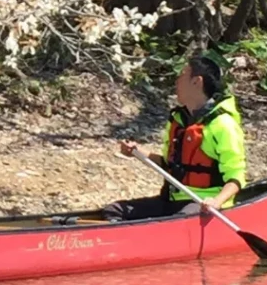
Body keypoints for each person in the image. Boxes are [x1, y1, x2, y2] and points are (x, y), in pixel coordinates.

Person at [103, 54, 246, 221]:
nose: (176, 82)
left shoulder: (223, 124)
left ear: (196, 81)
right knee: (113, 211)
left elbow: (236, 177)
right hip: (172, 200)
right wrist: (137, 151)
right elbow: (168, 164)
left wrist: (216, 202)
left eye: (182, 75)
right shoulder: (178, 120)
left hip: (203, 203)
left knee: (180, 220)